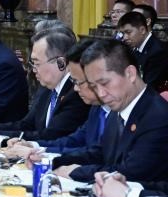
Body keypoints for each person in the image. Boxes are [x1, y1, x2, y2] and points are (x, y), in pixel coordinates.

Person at [51, 39, 168, 183]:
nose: (101, 94)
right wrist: (53, 162)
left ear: (130, 74)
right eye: (94, 86)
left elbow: (130, 173)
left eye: (105, 83)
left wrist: (76, 172)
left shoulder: (158, 117)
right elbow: (100, 152)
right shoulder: (118, 107)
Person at [0, 29, 88, 143]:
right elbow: (26, 125)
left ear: (61, 63)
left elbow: (49, 136)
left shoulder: (76, 93)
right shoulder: (47, 87)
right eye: (32, 63)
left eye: (37, 63)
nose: (33, 69)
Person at [3, 40, 108, 158]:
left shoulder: (99, 106)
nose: (75, 88)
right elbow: (74, 140)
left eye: (79, 82)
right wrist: (33, 146)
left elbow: (95, 155)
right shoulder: (97, 108)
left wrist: (42, 155)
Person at [117, 11, 168, 89]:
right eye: (123, 33)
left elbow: (149, 86)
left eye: (128, 32)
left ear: (142, 30)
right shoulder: (133, 48)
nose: (125, 37)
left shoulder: (158, 51)